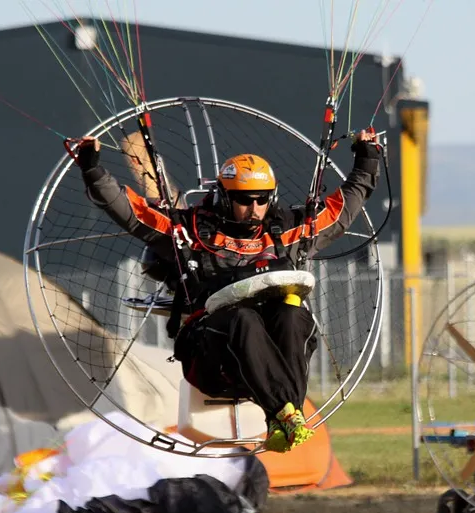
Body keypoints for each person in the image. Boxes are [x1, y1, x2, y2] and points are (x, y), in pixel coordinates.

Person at [72, 129, 381, 452]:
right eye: (244, 200)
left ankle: (283, 415)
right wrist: (92, 167)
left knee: (292, 313)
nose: (254, 207)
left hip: (271, 357)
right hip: (211, 359)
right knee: (242, 318)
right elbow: (129, 210)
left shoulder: (290, 231)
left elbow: (344, 206)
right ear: (223, 195)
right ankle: (284, 413)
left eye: (262, 199)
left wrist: (367, 156)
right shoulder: (189, 233)